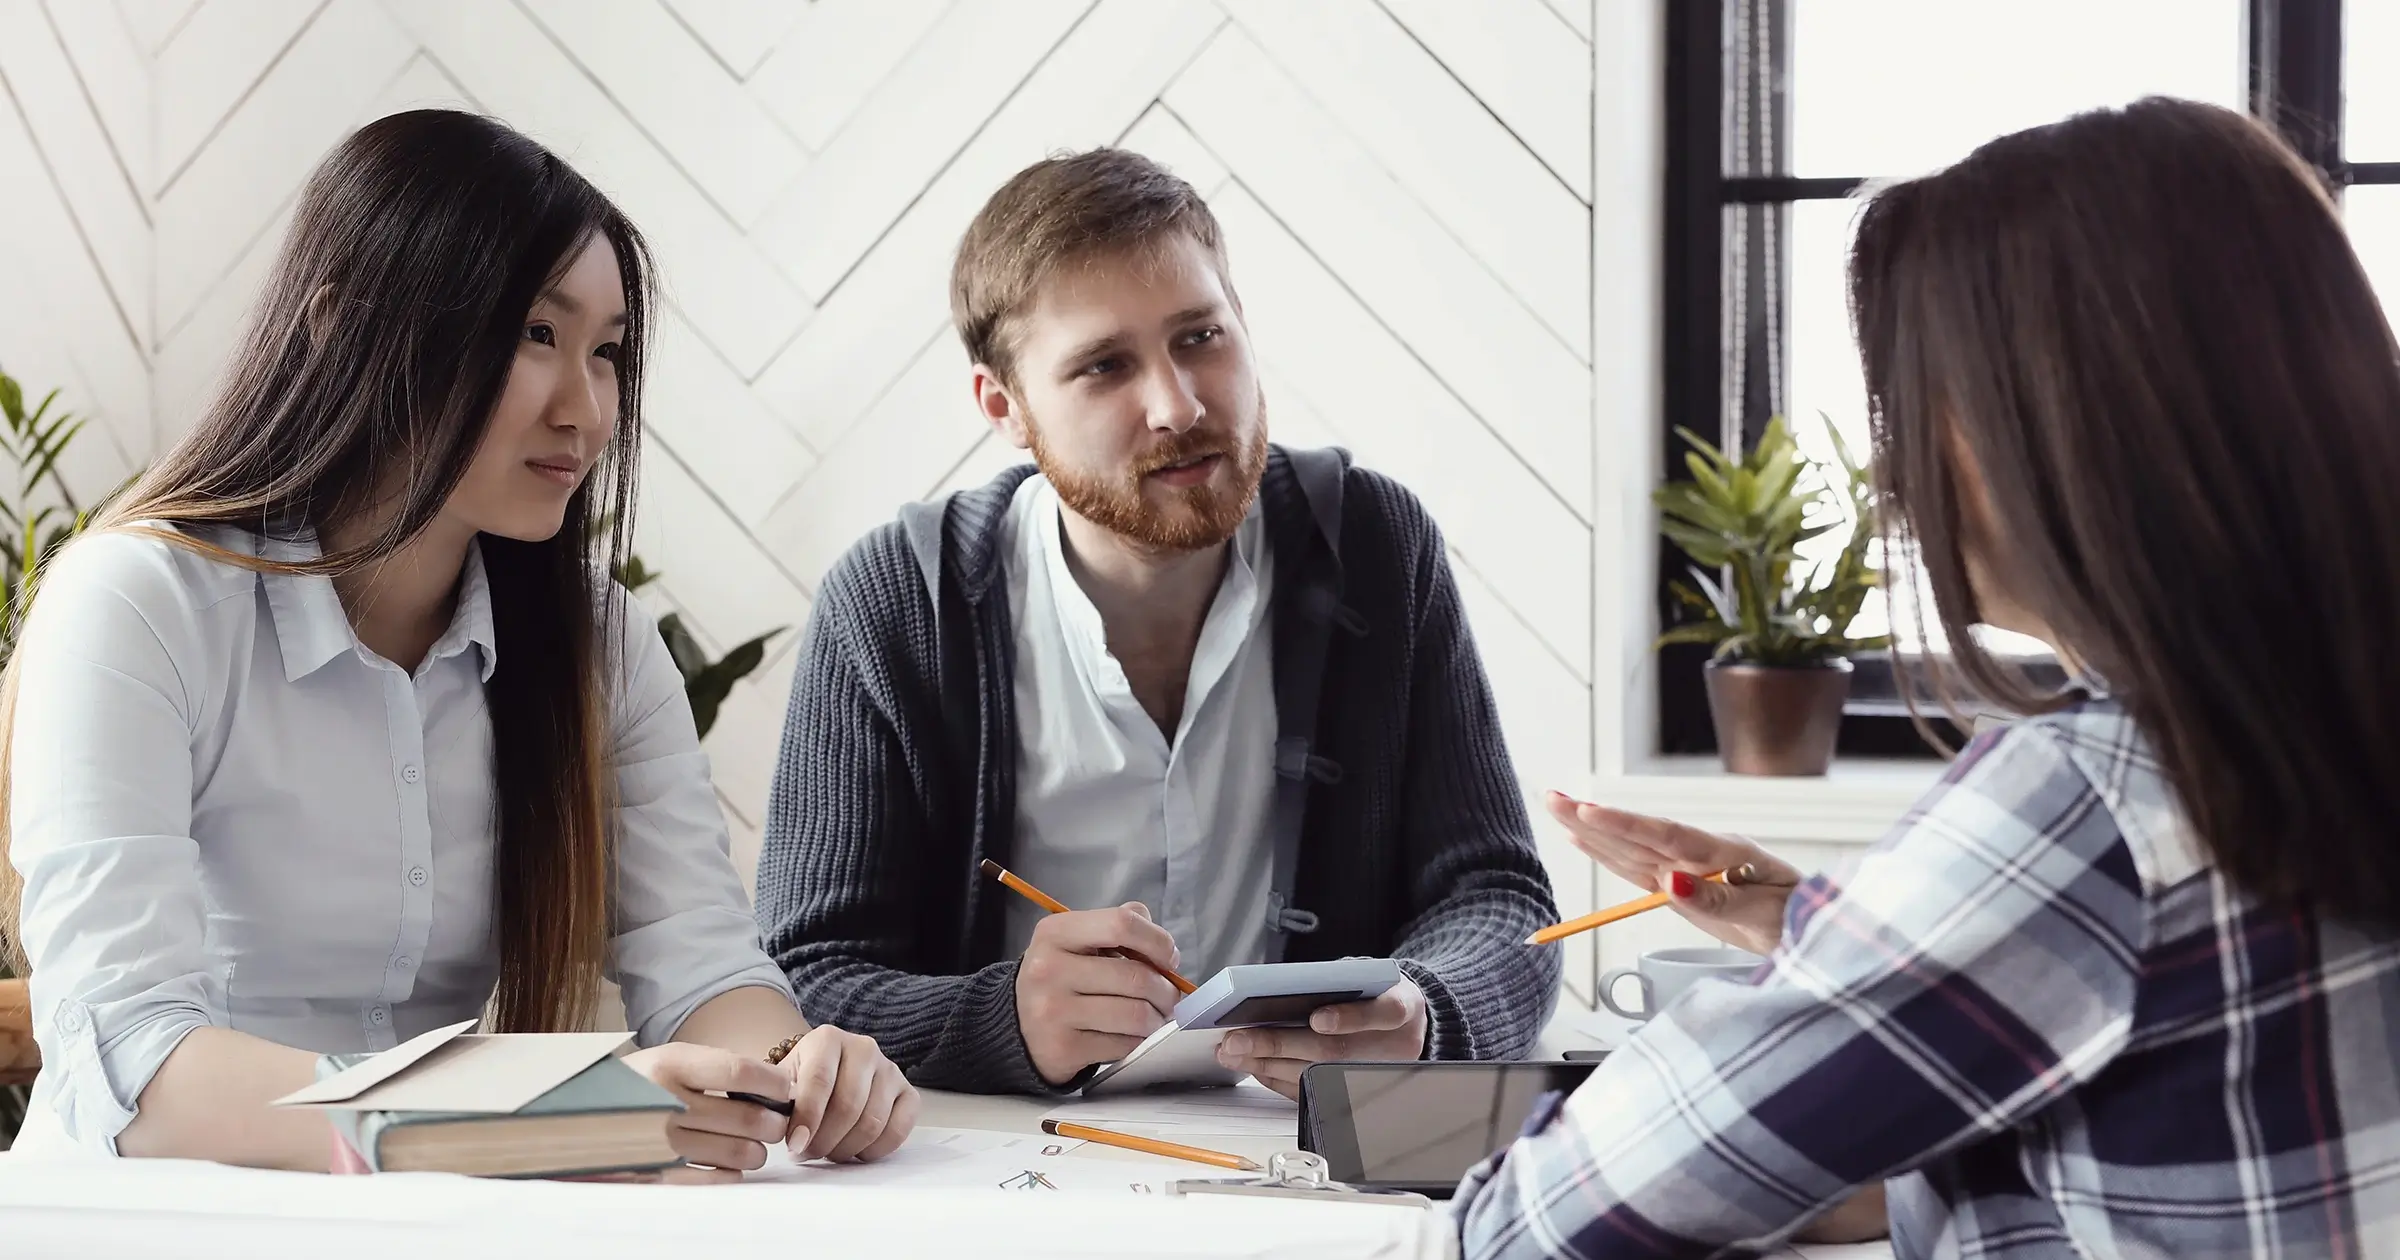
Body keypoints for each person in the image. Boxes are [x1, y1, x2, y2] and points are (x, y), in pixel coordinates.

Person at [1456, 96, 2400, 1257]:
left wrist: (1856, 963)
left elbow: (1541, 1226)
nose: (1895, 478)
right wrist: (1837, 936)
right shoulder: (2329, 732)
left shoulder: (2096, 803)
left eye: (1914, 406)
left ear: (2052, 426)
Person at [1, 109, 916, 1174]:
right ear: (342, 326)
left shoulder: (599, 647)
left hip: (450, 1210)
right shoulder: (139, 602)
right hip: (163, 1217)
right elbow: (134, 1067)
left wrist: (797, 1067)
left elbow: (700, 962)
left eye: (608, 351)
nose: (585, 408)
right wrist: (531, 1119)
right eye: (536, 334)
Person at [753, 148, 1562, 1097]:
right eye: (1104, 366)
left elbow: (1501, 903)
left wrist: (1425, 1012)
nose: (1178, 405)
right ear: (1004, 408)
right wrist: (1001, 1017)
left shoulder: (1379, 547)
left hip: (1312, 1156)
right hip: (1007, 1153)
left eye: (1200, 337)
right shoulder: (897, 599)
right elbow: (806, 971)